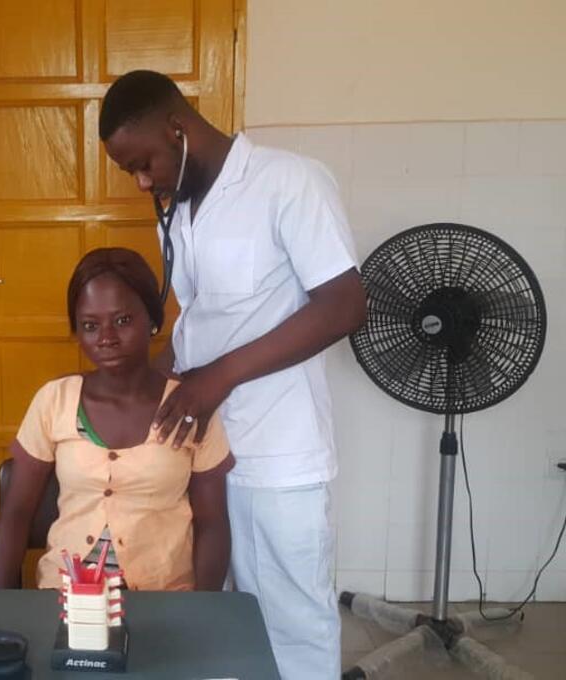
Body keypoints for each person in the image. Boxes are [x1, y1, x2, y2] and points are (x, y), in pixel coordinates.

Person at [100, 71, 367, 678]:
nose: (143, 181)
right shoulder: (180, 212)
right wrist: (133, 384)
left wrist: (216, 378)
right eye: (131, 173)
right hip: (204, 454)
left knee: (292, 626)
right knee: (217, 622)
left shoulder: (289, 182)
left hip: (279, 454)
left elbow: (344, 305)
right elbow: (201, 322)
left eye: (144, 163)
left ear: (179, 128)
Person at [0, 248, 232, 591]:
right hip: (66, 599)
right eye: (90, 326)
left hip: (165, 599)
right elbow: (15, 514)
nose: (106, 338)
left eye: (122, 321)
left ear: (152, 320)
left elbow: (213, 523)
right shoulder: (54, 401)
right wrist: (2, 608)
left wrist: (204, 611)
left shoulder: (188, 404)